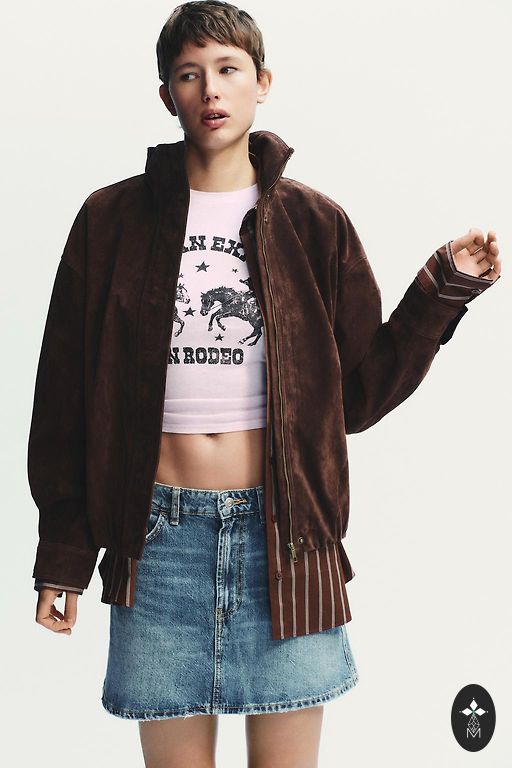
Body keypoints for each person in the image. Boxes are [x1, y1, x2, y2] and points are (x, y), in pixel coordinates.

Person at [28, 2, 501, 766]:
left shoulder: (315, 224)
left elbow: (358, 395)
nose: (210, 89)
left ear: (262, 82)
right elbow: (63, 403)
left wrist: (441, 291)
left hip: (290, 543)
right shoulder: (109, 221)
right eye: (189, 74)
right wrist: (63, 555)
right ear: (167, 95)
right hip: (157, 546)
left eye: (228, 69)